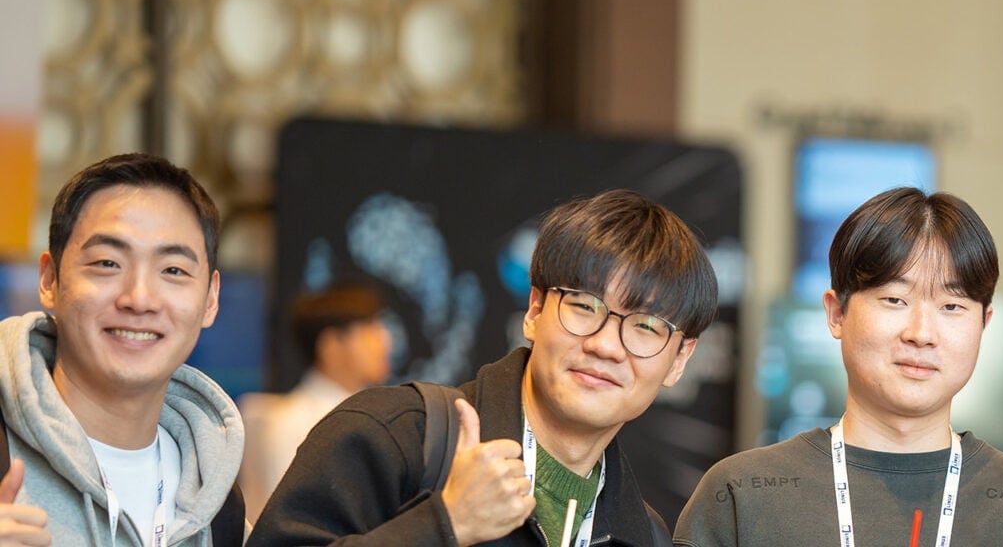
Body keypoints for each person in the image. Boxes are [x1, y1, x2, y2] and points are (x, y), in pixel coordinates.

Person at [248, 189, 715, 547]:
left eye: (647, 327)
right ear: (534, 311)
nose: (606, 345)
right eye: (584, 306)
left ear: (679, 360)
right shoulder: (394, 437)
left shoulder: (645, 534)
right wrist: (445, 524)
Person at [674, 187, 1003, 546]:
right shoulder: (740, 495)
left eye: (952, 306)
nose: (921, 333)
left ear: (983, 324)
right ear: (836, 314)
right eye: (894, 300)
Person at [0, 153, 246, 546]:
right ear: (49, 280)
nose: (140, 298)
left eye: (173, 271)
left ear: (211, 299)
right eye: (107, 263)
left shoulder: (218, 507)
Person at [238, 283, 394, 523]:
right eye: (369, 329)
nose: (385, 340)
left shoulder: (372, 414)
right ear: (331, 345)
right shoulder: (295, 424)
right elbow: (292, 525)